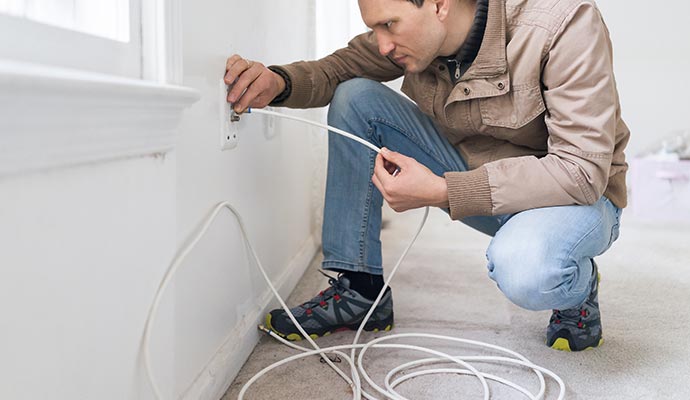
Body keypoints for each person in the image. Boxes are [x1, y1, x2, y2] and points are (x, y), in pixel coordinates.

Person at [224, 0, 627, 352]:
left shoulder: (564, 22)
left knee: (529, 270)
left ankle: (578, 282)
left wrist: (443, 190)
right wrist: (278, 82)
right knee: (355, 96)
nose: (382, 44)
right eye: (373, 28)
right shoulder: (417, 37)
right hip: (478, 182)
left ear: (438, 4)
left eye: (388, 25)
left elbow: (580, 170)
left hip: (573, 198)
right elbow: (339, 68)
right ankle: (359, 291)